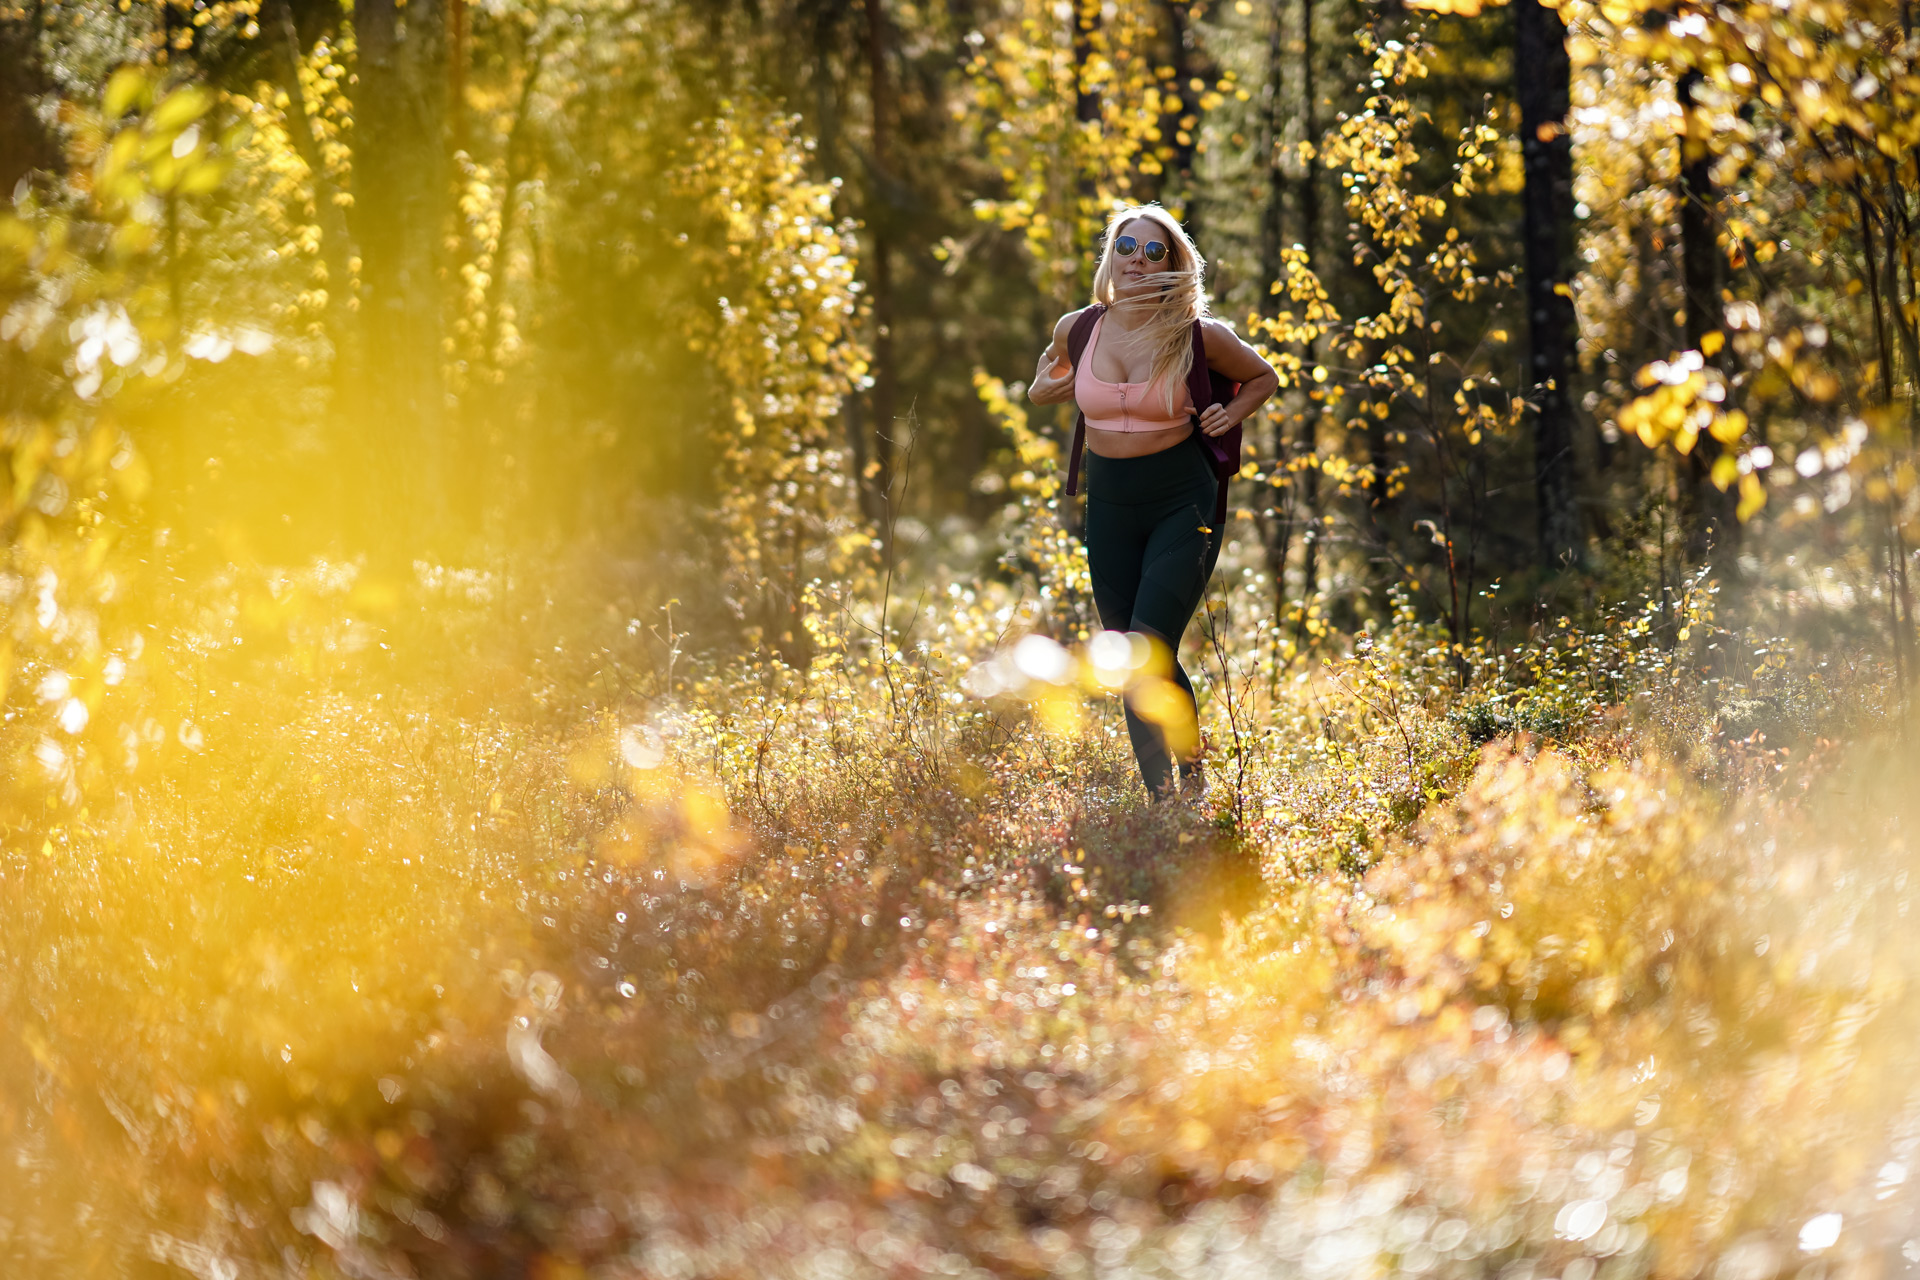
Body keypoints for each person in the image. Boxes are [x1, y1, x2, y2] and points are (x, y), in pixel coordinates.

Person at [1027, 204, 1279, 801]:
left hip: (1181, 502)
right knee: (1129, 658)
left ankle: (1186, 792)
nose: (1137, 261)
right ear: (1109, 256)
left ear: (1175, 263)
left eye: (1153, 251)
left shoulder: (1197, 335)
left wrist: (1230, 410)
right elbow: (1046, 385)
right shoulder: (1079, 328)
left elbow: (1264, 378)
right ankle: (1163, 800)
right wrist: (1040, 388)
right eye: (1126, 248)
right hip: (1110, 506)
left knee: (1148, 651)